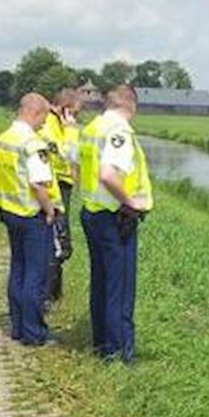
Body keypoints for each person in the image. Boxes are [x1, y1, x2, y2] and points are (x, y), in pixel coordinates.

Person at [79, 85, 153, 364]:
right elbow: (108, 174)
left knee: (101, 282)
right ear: (131, 105)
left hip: (92, 212)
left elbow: (78, 165)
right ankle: (120, 353)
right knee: (119, 289)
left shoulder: (92, 128)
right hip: (115, 217)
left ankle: (102, 344)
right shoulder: (118, 131)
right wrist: (131, 202)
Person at [0, 93, 60, 345]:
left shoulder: (3, 139)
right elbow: (39, 184)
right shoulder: (32, 143)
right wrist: (50, 210)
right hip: (31, 215)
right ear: (36, 112)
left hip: (9, 212)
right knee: (36, 275)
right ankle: (34, 334)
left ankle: (18, 326)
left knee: (17, 269)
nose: (43, 124)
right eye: (44, 118)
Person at [38, 88, 81, 304]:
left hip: (62, 185)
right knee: (59, 244)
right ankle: (46, 297)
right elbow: (67, 154)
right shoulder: (48, 126)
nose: (76, 118)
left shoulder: (57, 125)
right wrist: (72, 130)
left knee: (59, 243)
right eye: (75, 112)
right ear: (66, 110)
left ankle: (53, 294)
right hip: (54, 188)